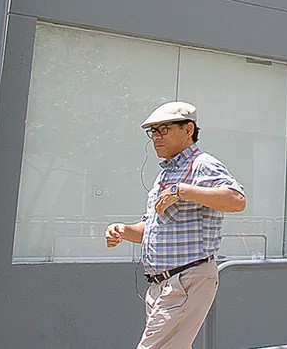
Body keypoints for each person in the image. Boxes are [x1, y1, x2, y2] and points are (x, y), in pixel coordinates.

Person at [104, 101, 247, 348]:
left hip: (187, 277)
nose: (157, 137)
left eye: (164, 130)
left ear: (188, 129)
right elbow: (153, 228)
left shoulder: (201, 164)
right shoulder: (165, 173)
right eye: (153, 132)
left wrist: (182, 191)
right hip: (162, 284)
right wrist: (123, 231)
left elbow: (237, 200)